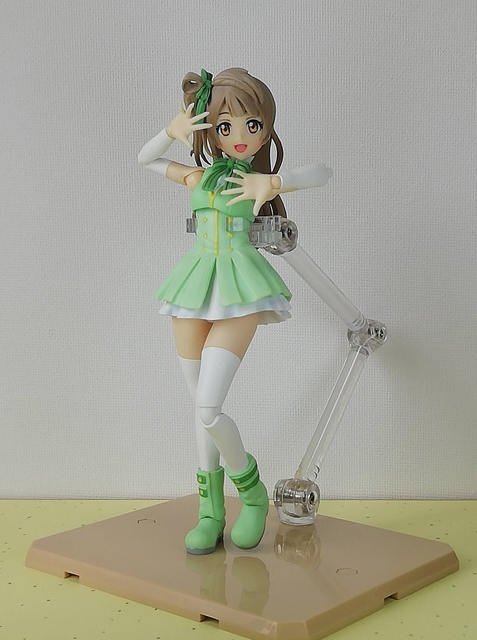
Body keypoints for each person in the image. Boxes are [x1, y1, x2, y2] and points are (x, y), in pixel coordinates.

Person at [139, 68, 332, 554]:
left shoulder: (256, 179)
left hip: (239, 288)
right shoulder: (198, 176)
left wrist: (275, 181)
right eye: (225, 126)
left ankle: (251, 492)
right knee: (200, 412)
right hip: (192, 287)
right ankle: (210, 512)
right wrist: (171, 131)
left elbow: (322, 173)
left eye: (253, 124)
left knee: (209, 407)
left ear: (266, 129)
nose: (240, 136)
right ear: (212, 131)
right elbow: (145, 159)